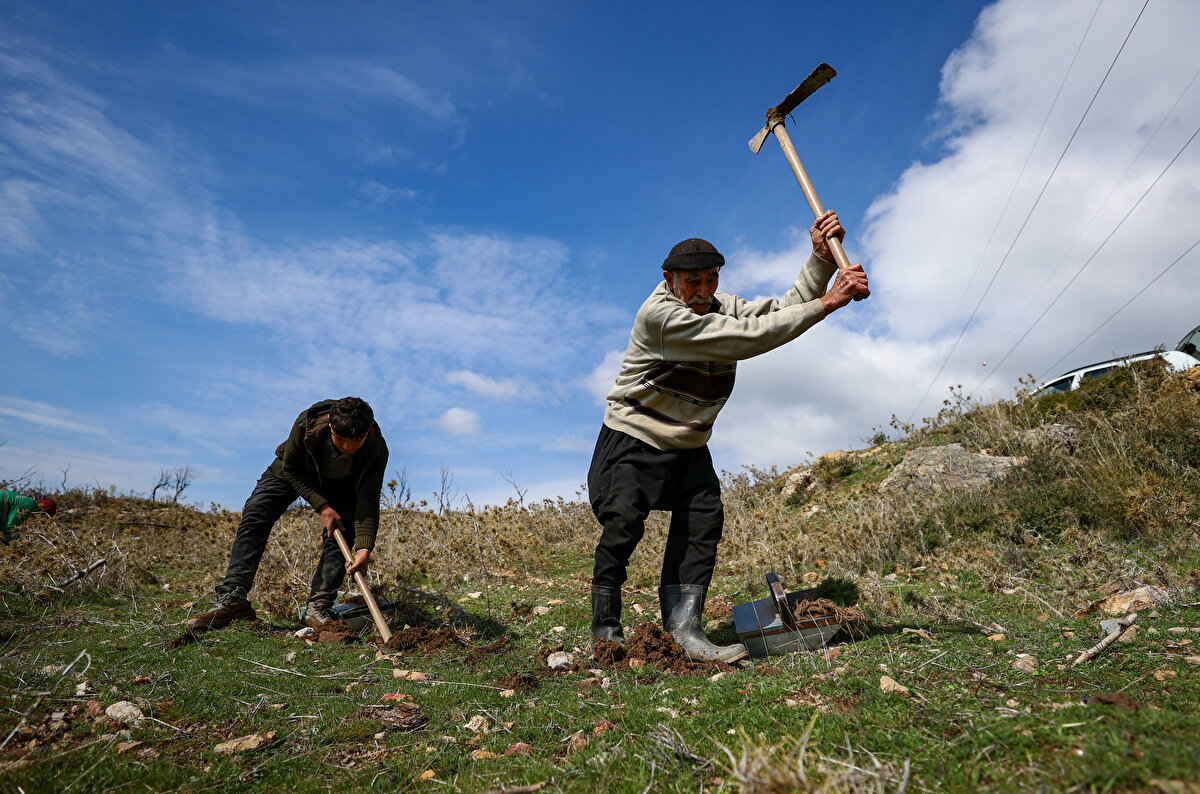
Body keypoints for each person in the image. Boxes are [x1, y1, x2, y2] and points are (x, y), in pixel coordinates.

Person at [587, 210, 869, 661]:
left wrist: (820, 261)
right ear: (670, 279)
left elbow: (780, 310)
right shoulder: (661, 317)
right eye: (693, 280)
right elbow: (746, 338)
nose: (703, 291)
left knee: (704, 521)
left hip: (689, 446)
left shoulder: (722, 305)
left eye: (712, 279)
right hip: (634, 439)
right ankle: (605, 628)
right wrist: (829, 303)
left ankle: (685, 631)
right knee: (622, 526)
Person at [187, 397, 388, 630]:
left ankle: (318, 608)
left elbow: (368, 498)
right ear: (331, 427)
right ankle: (233, 600)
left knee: (342, 530)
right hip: (293, 472)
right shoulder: (308, 424)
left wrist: (364, 549)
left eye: (356, 441)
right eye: (340, 440)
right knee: (256, 513)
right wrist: (322, 506)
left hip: (341, 486)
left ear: (367, 431)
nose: (347, 448)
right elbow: (291, 468)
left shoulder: (376, 449)